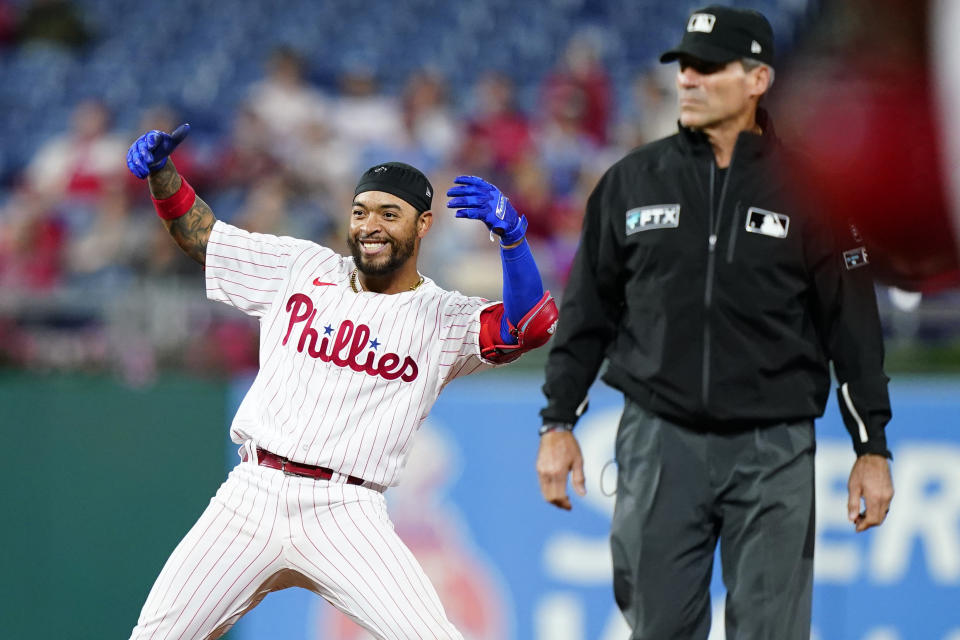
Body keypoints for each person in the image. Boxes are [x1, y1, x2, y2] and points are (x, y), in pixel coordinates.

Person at [534, 6, 894, 639]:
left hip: (774, 446)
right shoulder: (631, 182)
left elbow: (854, 329)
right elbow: (586, 314)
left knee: (771, 634)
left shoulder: (814, 191)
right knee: (659, 628)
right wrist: (557, 421)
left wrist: (872, 447)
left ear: (757, 79)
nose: (688, 80)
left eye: (708, 67)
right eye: (683, 67)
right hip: (659, 440)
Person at [124, 124, 557, 639]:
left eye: (389, 214)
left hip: (346, 512)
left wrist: (512, 239)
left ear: (423, 225)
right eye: (360, 212)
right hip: (251, 495)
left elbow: (530, 326)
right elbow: (202, 236)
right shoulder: (300, 267)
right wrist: (161, 173)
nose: (370, 226)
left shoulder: (443, 316)